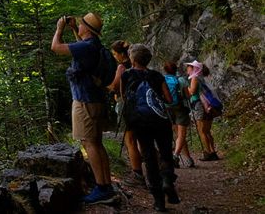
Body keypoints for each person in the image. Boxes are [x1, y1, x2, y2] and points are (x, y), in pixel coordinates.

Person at [51, 12, 115, 205]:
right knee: (97, 142)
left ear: (86, 29)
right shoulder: (93, 45)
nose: (78, 25)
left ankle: (101, 188)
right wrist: (72, 29)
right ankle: (106, 185)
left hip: (84, 101)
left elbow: (55, 47)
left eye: (80, 25)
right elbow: (82, 50)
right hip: (95, 100)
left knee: (89, 143)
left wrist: (59, 29)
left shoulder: (86, 47)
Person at [121, 44, 180, 212]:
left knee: (149, 158)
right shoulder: (156, 75)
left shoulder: (127, 75)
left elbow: (125, 98)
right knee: (166, 153)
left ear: (132, 59)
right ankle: (168, 180)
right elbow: (169, 99)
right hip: (160, 121)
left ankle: (159, 202)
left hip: (140, 123)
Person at [109, 40, 144, 184]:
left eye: (115, 53)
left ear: (121, 54)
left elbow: (114, 86)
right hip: (140, 104)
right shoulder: (138, 66)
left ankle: (137, 174)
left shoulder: (122, 67)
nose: (114, 56)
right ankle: (159, 168)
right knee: (143, 138)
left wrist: (103, 84)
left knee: (130, 140)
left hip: (126, 105)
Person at [163, 61, 194, 168]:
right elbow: (187, 96)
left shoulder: (162, 80)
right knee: (182, 135)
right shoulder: (181, 80)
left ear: (165, 70)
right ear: (176, 69)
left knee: (178, 135)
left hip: (167, 108)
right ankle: (175, 157)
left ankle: (188, 159)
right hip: (180, 108)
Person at [186, 60, 218, 160]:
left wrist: (185, 87)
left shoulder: (195, 78)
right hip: (207, 105)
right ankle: (213, 151)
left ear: (194, 69)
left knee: (202, 131)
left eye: (189, 67)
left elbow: (192, 91)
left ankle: (208, 152)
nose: (187, 69)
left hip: (199, 105)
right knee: (207, 131)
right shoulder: (202, 78)